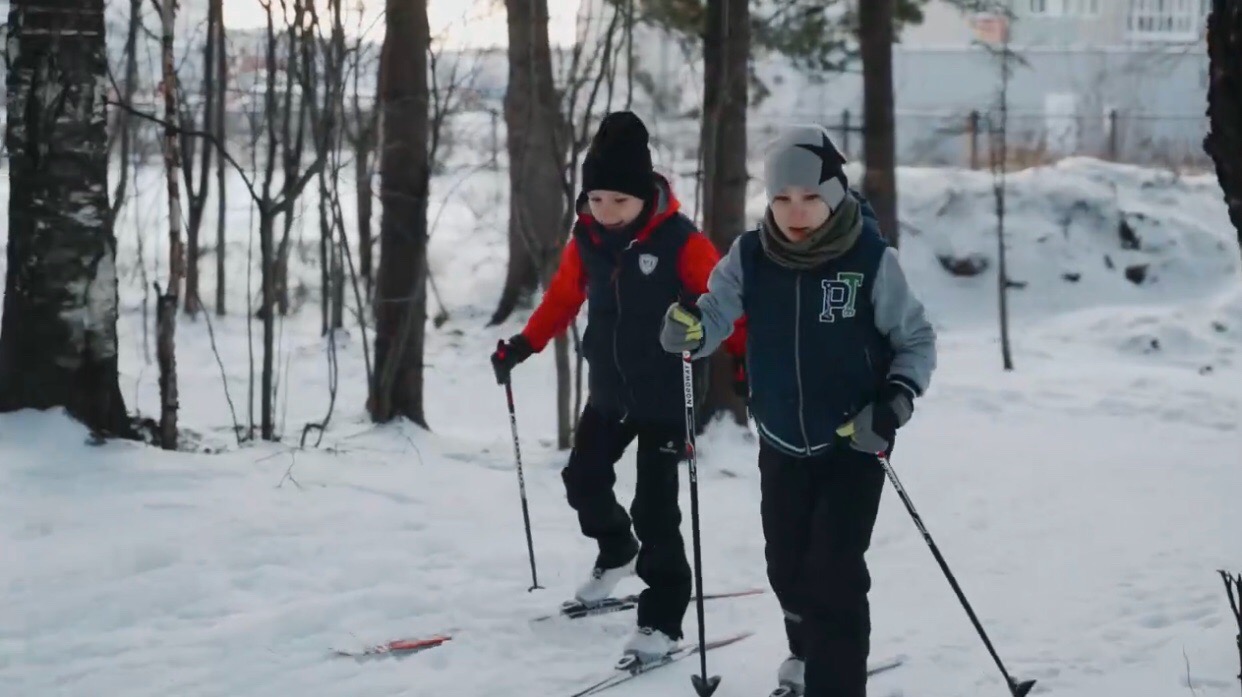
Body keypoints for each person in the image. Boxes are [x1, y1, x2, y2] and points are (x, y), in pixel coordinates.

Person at [657, 125, 936, 697]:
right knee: (787, 569)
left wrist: (891, 406)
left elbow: (916, 341)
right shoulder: (751, 256)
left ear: (834, 195)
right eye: (782, 199)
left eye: (810, 197)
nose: (796, 211)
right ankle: (806, 655)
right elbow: (714, 315)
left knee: (833, 574)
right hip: (781, 441)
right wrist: (689, 329)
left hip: (853, 443)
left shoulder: (871, 260)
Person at [490, 110, 746, 666]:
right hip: (609, 389)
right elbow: (562, 299)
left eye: (618, 202)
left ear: (645, 196)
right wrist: (525, 345)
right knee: (582, 481)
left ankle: (661, 620)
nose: (605, 213)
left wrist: (744, 362)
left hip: (664, 397)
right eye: (595, 200)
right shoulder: (586, 240)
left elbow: (726, 305)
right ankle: (616, 548)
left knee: (656, 509)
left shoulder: (684, 242)